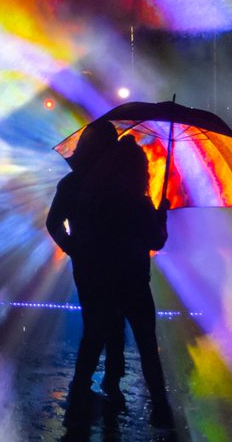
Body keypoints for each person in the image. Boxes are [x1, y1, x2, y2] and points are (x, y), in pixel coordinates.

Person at [49, 131, 173, 425]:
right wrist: (161, 215)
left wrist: (75, 250)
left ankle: (81, 396)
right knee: (145, 343)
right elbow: (155, 241)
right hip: (133, 280)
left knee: (94, 336)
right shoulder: (132, 197)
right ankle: (158, 407)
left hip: (93, 275)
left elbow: (53, 222)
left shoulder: (74, 185)